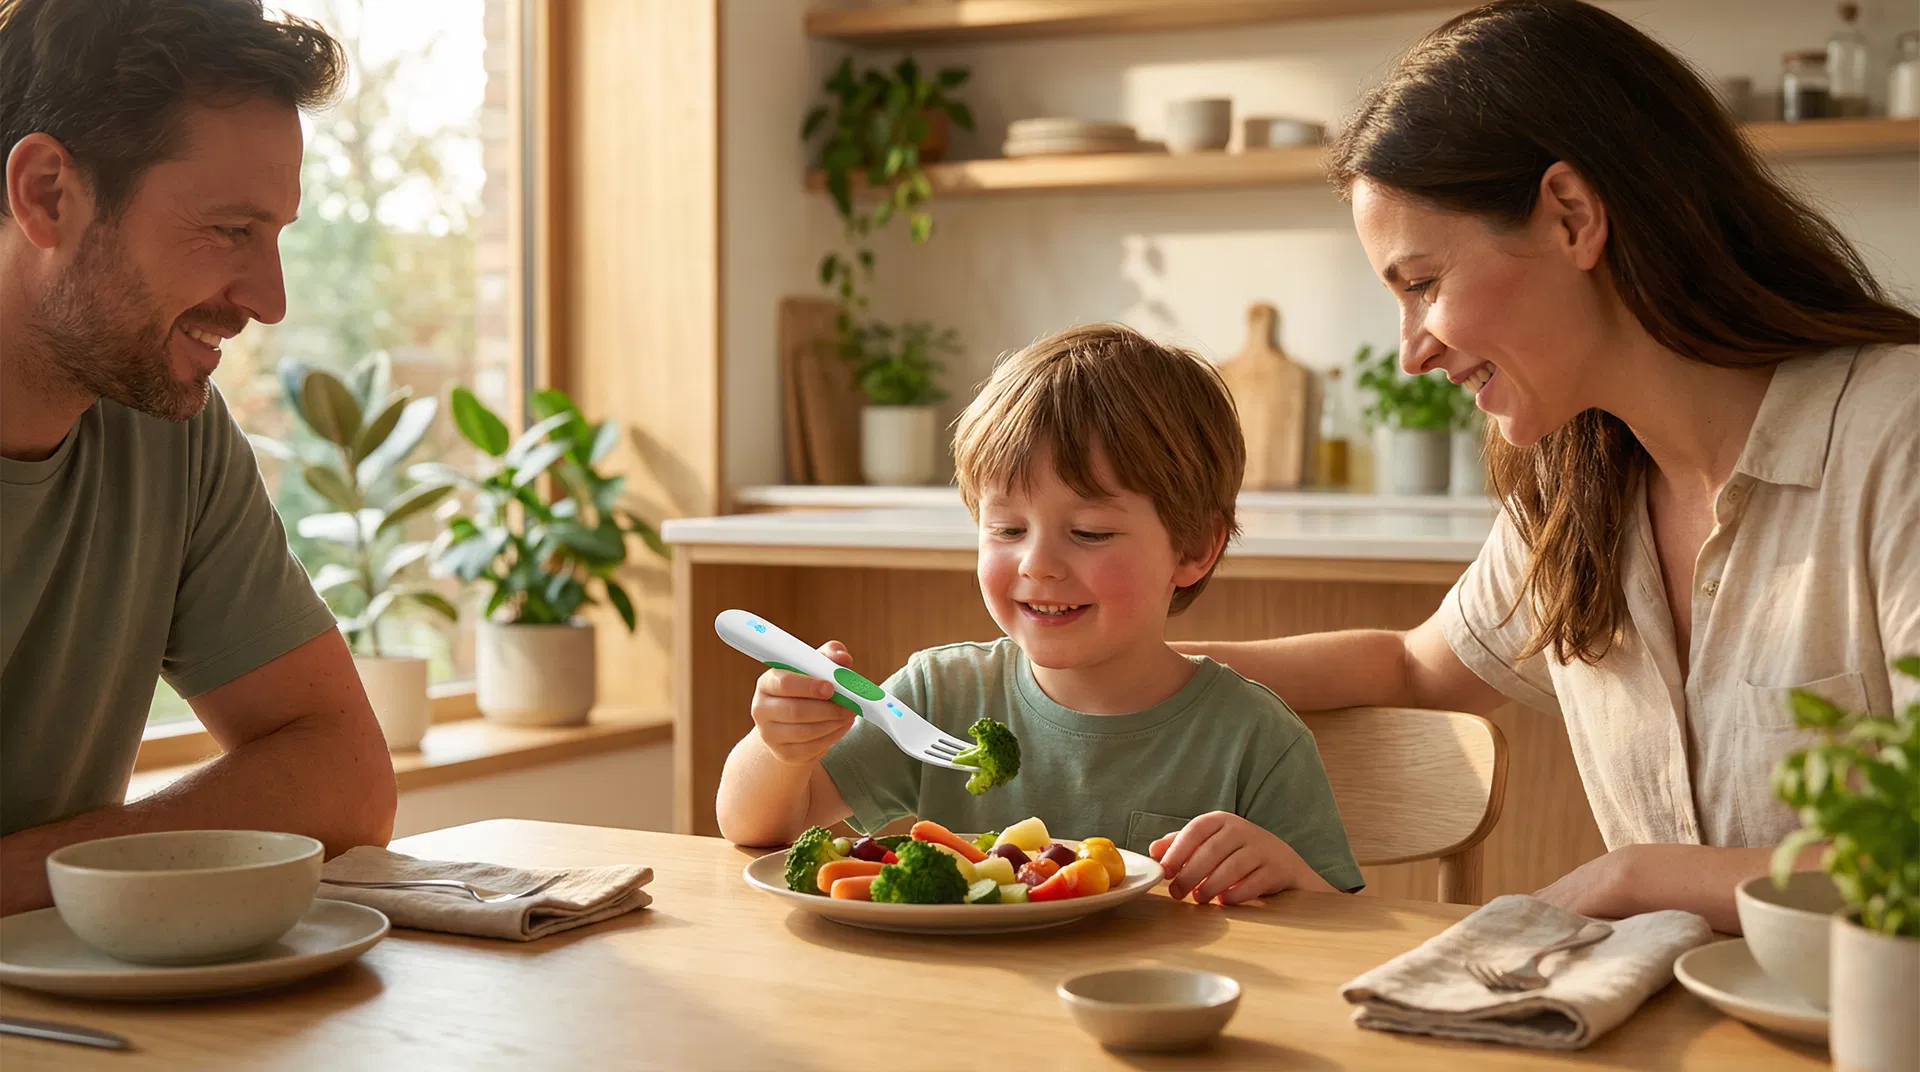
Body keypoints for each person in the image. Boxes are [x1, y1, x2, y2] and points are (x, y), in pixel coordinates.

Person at [1179, 0, 1919, 932]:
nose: (1413, 350)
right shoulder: (1580, 487)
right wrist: (1116, 667)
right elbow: (1415, 671)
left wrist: (1639, 879)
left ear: (1572, 217)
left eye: (1422, 284)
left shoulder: (1898, 437)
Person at [717, 325, 1363, 904]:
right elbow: (755, 826)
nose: (1037, 564)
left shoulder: (1255, 739)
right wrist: (780, 748)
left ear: (1193, 548)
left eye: (1088, 532)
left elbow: (1346, 928)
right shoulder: (936, 697)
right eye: (1006, 528)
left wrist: (1284, 871)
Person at [0, 0, 396, 915]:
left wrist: (30, 881)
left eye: (277, 236)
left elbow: (343, 778)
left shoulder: (167, 428)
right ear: (48, 193)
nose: (269, 300)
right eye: (229, 231)